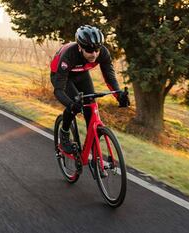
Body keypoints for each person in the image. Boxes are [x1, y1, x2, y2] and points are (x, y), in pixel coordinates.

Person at [50, 25, 130, 154]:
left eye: (97, 50)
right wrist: (71, 104)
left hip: (81, 73)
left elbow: (109, 77)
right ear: (80, 47)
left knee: (90, 106)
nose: (94, 54)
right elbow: (58, 90)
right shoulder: (69, 55)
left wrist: (118, 95)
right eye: (89, 50)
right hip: (62, 76)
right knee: (74, 106)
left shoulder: (102, 53)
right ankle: (64, 134)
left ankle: (92, 147)